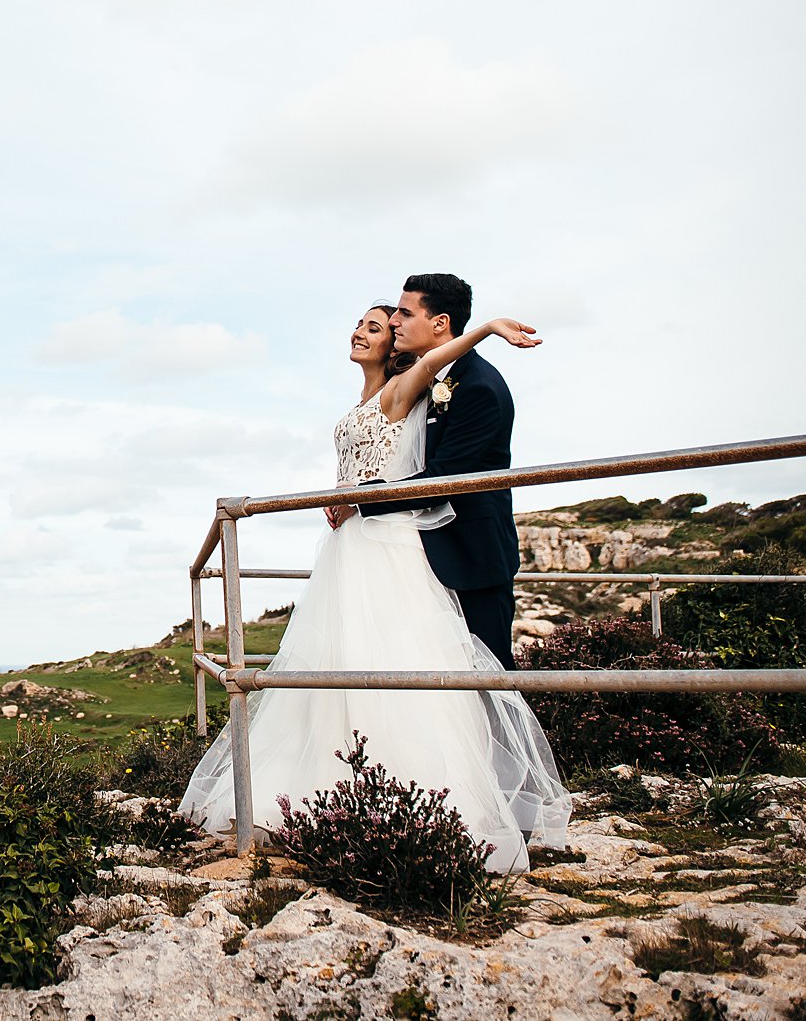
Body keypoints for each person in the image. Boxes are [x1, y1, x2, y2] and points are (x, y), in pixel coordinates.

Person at [176, 289, 569, 869]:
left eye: (378, 325)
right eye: (359, 323)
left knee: (385, 653)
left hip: (384, 544)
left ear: (394, 344)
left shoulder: (401, 388)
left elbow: (437, 362)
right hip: (346, 546)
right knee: (331, 663)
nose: (362, 332)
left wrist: (485, 329)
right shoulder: (363, 398)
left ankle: (412, 796)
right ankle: (319, 787)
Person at [349, 272, 523, 670]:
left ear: (440, 323)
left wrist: (359, 500)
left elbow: (443, 479)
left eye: (405, 314)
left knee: (488, 682)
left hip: (471, 559)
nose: (395, 322)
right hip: (420, 555)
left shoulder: (479, 387)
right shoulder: (431, 380)